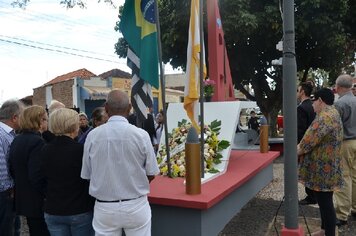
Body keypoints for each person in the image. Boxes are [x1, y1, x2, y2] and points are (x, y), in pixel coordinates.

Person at [81, 89, 159, 236]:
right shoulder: (141, 135)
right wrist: (134, 183)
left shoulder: (92, 136)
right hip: (135, 204)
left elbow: (87, 174)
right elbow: (152, 172)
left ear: (106, 108)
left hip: (105, 207)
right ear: (129, 108)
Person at [39, 108, 95, 236]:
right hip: (80, 209)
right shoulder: (81, 150)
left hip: (53, 209)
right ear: (73, 125)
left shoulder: (45, 149)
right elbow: (91, 178)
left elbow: (40, 178)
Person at [297, 88, 343, 236]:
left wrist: (293, 152)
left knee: (325, 204)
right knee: (325, 202)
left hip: (323, 169)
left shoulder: (324, 118)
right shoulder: (333, 113)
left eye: (313, 101)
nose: (312, 105)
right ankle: (324, 230)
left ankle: (328, 233)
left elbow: (306, 144)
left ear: (320, 101)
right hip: (330, 166)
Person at [9, 105, 50, 236]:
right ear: (39, 121)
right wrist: (47, 193)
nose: (47, 122)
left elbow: (12, 168)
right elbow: (36, 175)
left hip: (24, 197)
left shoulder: (17, 139)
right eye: (45, 119)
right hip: (36, 200)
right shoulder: (37, 142)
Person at [333, 74, 356, 227]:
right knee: (354, 177)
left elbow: (335, 128)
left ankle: (342, 214)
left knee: (343, 178)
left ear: (339, 87)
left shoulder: (340, 104)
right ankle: (354, 207)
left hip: (346, 143)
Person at [0, 99, 24, 236]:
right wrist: (9, 189)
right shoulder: (2, 134)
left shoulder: (9, 134)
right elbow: (1, 168)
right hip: (4, 194)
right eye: (22, 116)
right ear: (14, 117)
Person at [297, 82, 317, 205]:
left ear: (302, 92)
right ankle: (314, 194)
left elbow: (300, 129)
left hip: (305, 143)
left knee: (306, 170)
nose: (297, 92)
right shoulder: (313, 106)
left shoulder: (301, 108)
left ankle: (311, 196)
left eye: (298, 90)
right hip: (315, 142)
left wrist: (299, 145)